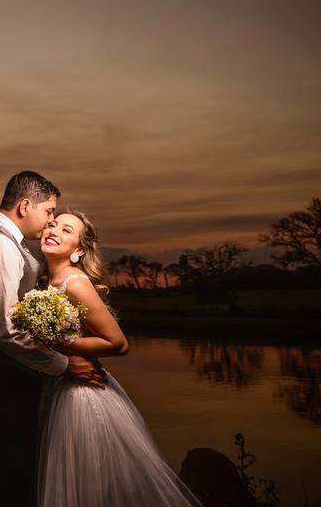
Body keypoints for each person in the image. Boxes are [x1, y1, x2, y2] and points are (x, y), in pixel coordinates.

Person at [35, 209, 204, 507]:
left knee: (94, 484)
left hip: (84, 397)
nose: (53, 231)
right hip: (62, 386)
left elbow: (118, 343)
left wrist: (66, 345)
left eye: (66, 230)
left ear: (79, 250)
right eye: (52, 224)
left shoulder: (75, 283)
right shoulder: (46, 280)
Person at [0, 171, 106, 507]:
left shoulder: (9, 243)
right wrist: (65, 363)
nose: (51, 221)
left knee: (18, 475)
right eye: (49, 211)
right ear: (26, 205)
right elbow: (3, 329)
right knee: (7, 481)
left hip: (7, 375)